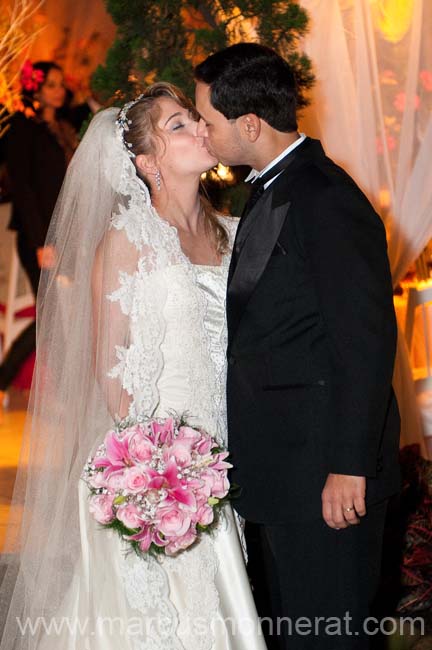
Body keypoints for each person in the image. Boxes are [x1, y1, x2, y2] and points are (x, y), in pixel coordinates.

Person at [0, 82, 267, 649]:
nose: (199, 128)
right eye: (178, 126)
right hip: (162, 472)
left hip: (226, 446)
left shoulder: (235, 233)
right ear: (147, 162)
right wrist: (152, 471)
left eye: (194, 118)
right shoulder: (127, 240)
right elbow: (110, 369)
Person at [195, 43, 401, 650]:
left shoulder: (325, 196)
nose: (205, 135)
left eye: (209, 121)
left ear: (250, 124)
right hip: (285, 470)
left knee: (329, 634)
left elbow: (364, 341)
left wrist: (348, 465)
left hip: (325, 476)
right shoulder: (271, 186)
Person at [0, 61, 77, 410]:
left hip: (64, 235)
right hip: (41, 238)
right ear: (35, 88)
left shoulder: (60, 128)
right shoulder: (22, 128)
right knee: (51, 315)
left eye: (61, 84)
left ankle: (63, 395)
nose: (59, 90)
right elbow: (25, 189)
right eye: (51, 85)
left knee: (59, 314)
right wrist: (39, 243)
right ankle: (5, 380)